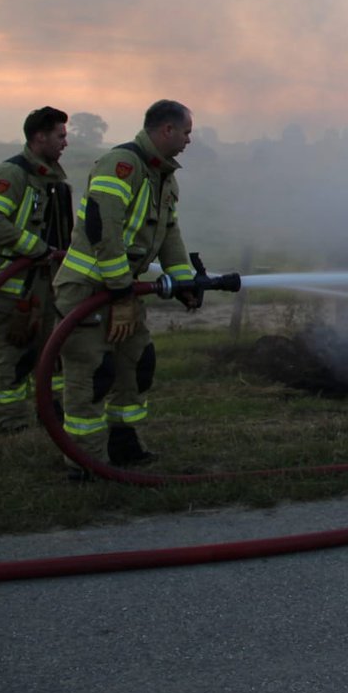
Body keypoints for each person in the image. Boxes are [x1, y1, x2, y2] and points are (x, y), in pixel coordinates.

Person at [53, 99, 200, 476]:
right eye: (186, 133)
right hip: (86, 290)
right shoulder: (121, 165)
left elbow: (169, 232)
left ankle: (123, 444)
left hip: (121, 290)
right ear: (167, 130)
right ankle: (84, 462)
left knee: (136, 363)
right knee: (93, 374)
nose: (188, 140)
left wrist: (183, 281)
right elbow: (104, 230)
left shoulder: (163, 176)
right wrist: (120, 294)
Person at [0, 106, 72, 434]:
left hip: (45, 283)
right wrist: (34, 248)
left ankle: (51, 413)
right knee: (13, 352)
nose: (65, 142)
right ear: (39, 137)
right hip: (11, 286)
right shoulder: (12, 174)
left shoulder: (52, 180)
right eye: (60, 136)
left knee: (51, 350)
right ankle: (11, 424)